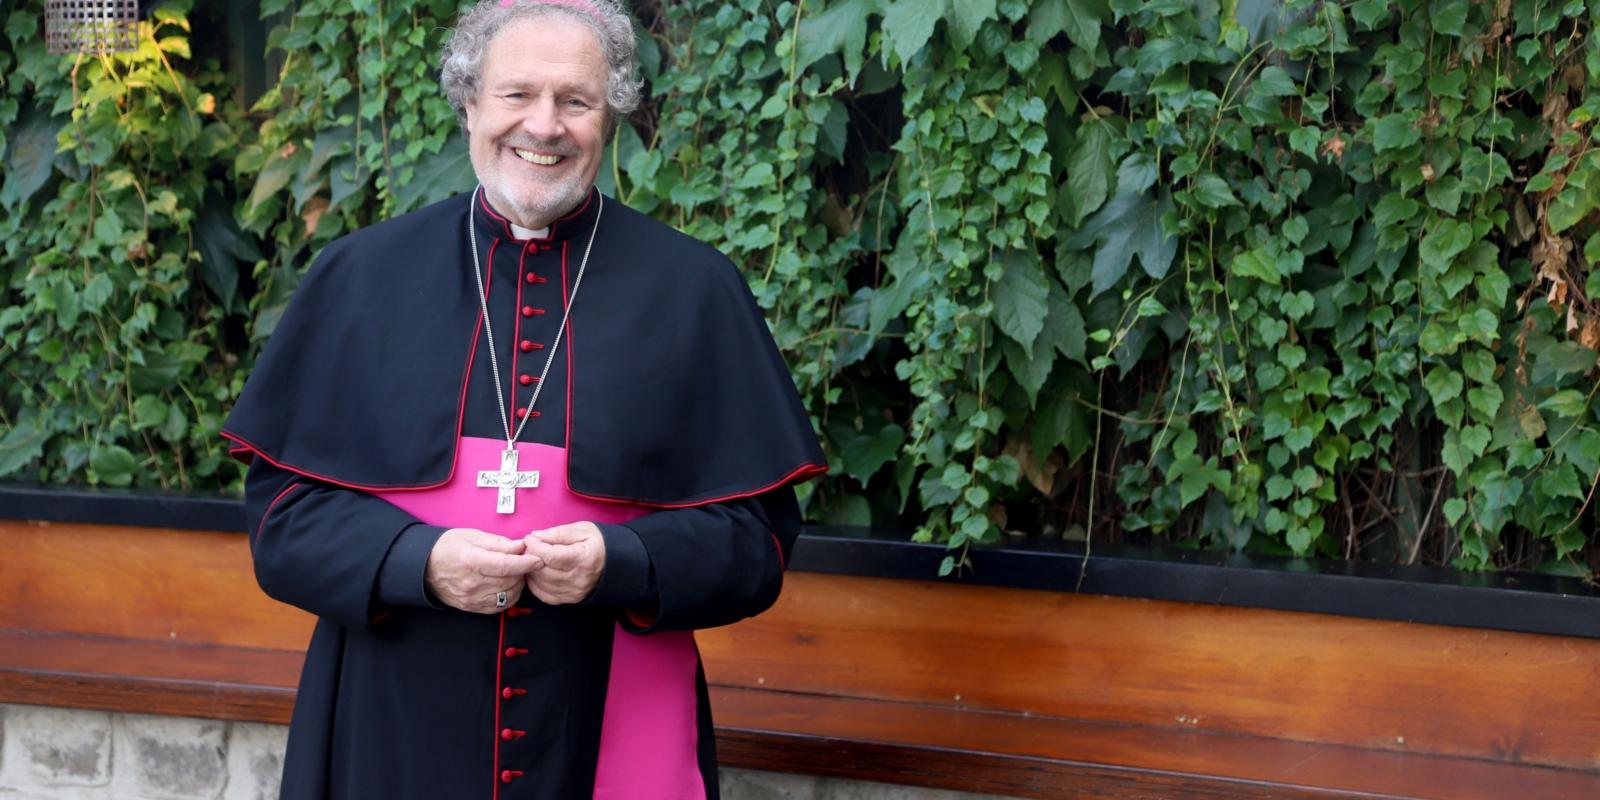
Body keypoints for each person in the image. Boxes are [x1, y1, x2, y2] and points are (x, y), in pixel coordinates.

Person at [221, 1, 826, 797]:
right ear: (468, 101)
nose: (544, 126)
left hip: (610, 705)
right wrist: (418, 562)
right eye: (516, 95)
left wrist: (626, 562)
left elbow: (758, 544)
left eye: (575, 100)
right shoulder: (360, 277)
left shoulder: (696, 291)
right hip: (391, 726)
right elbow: (281, 520)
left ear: (610, 116)